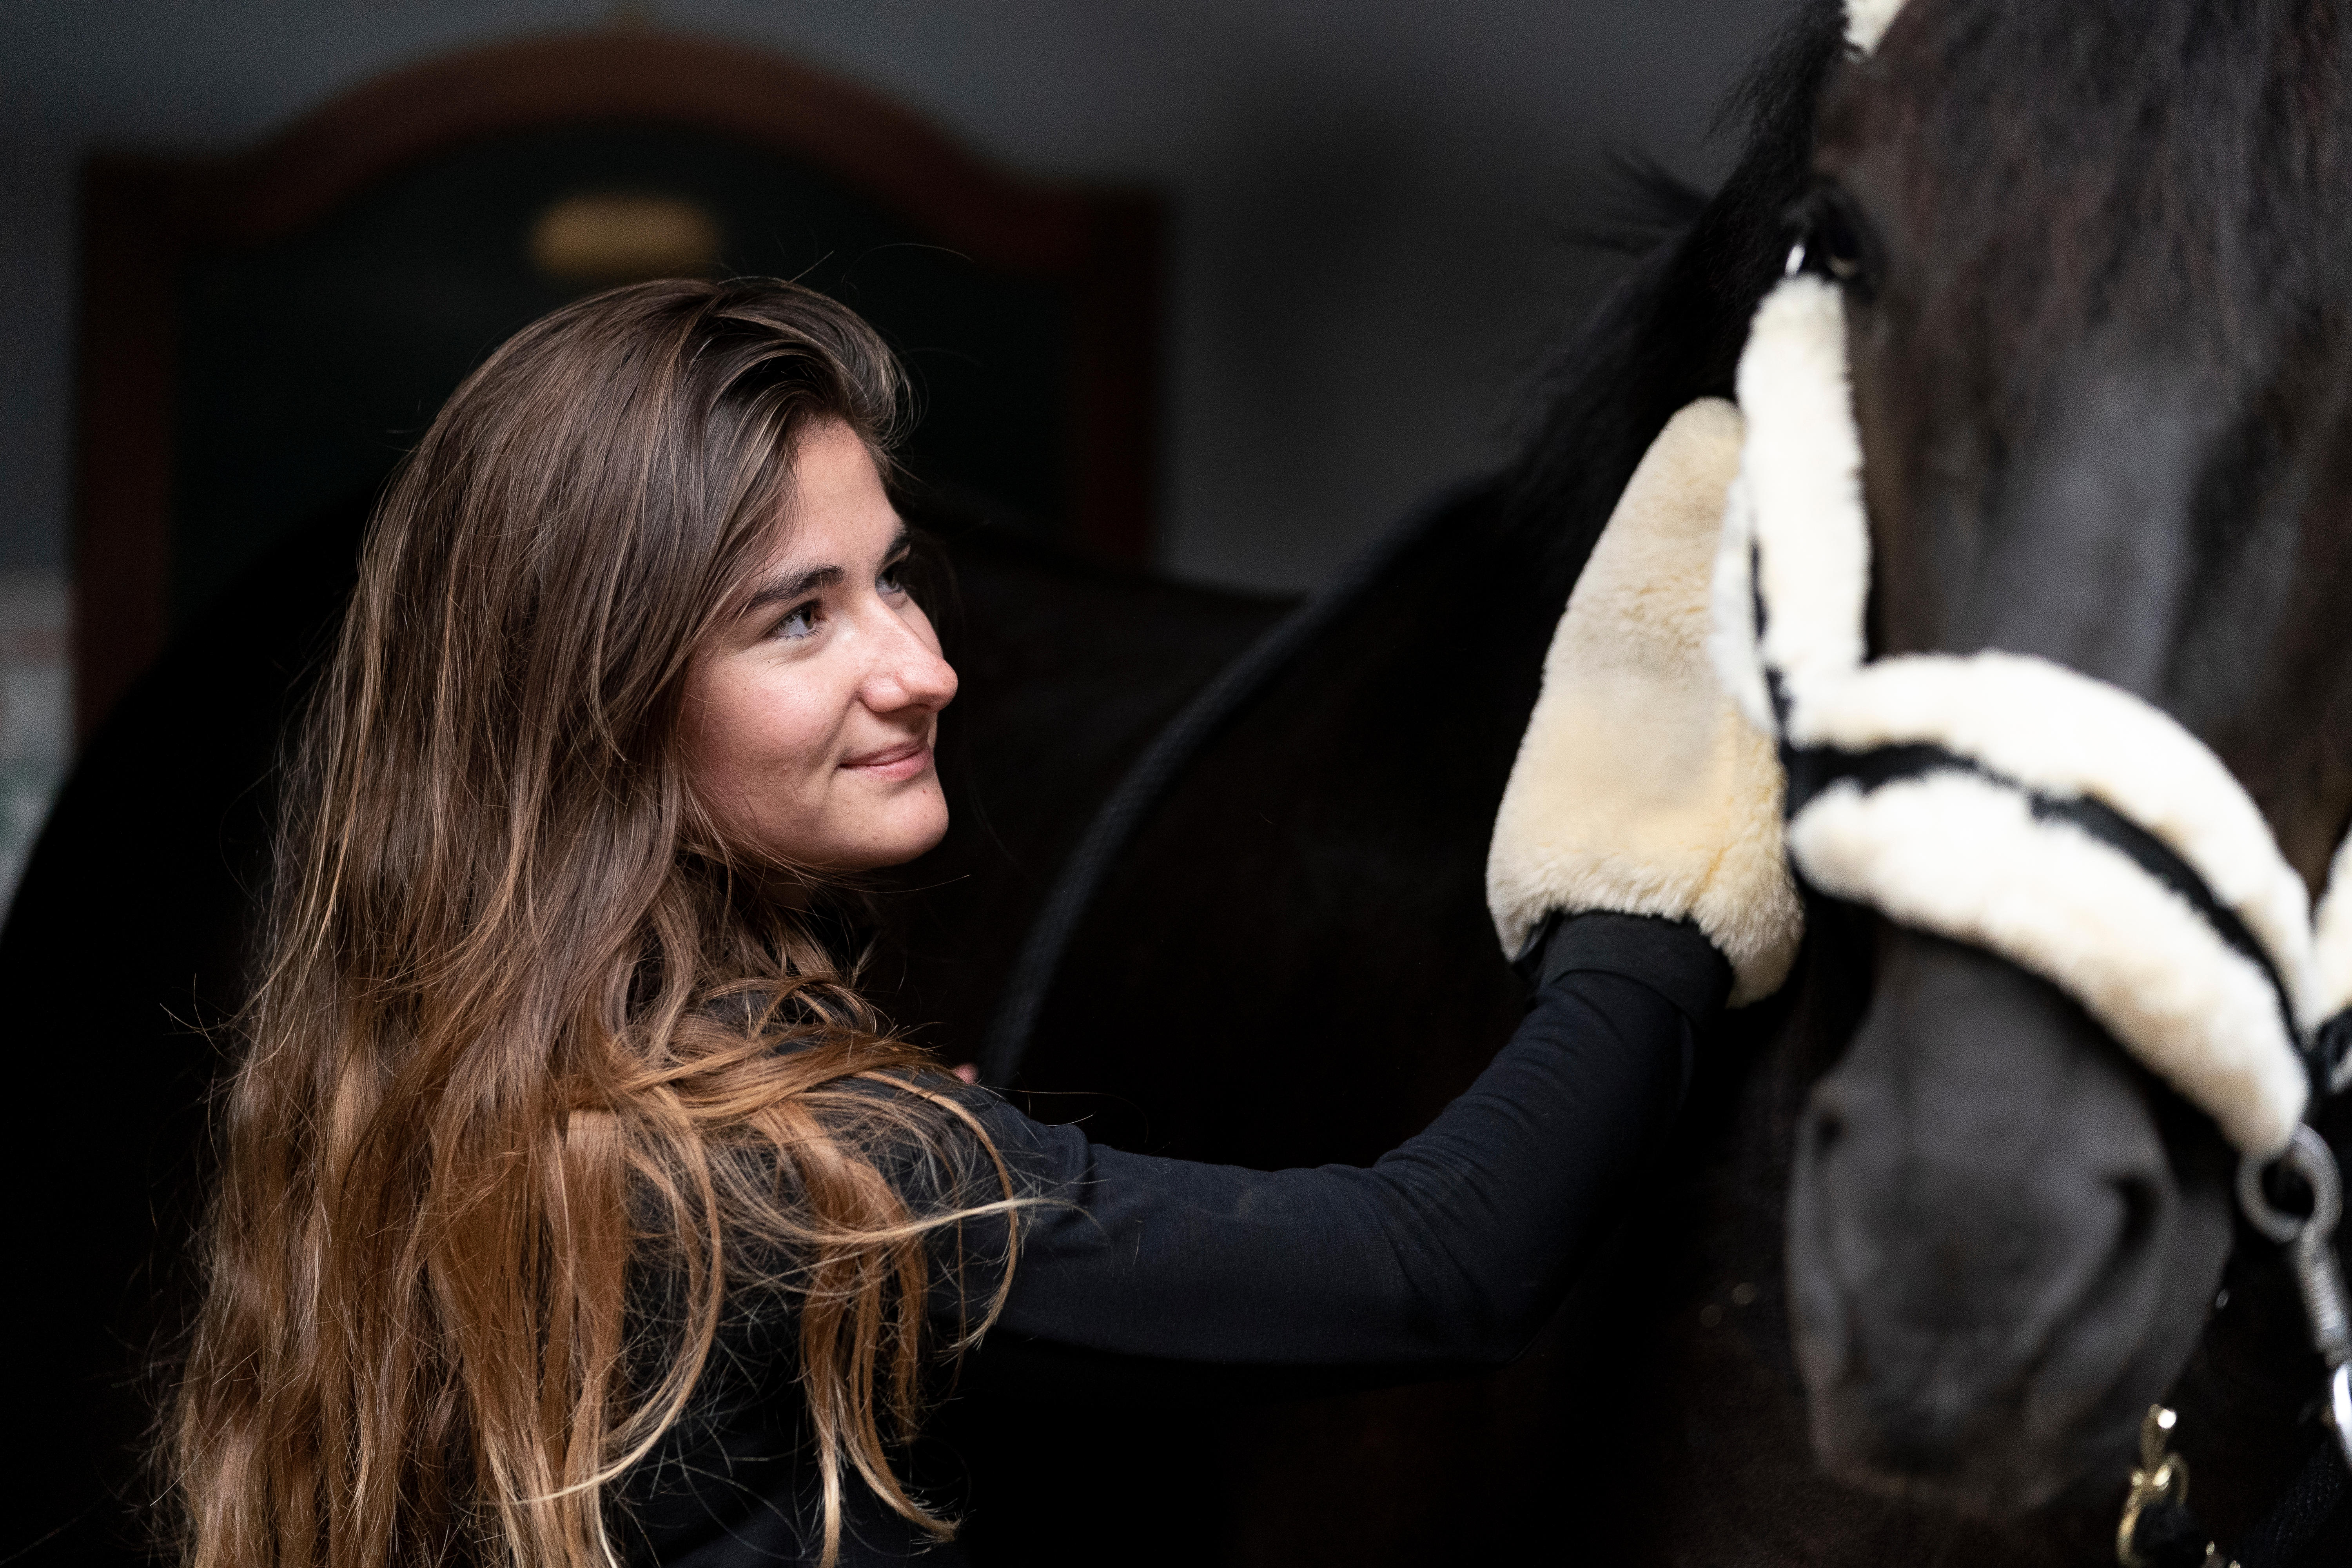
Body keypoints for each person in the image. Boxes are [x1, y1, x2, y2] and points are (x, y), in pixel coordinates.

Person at [165, 278, 1797, 1568]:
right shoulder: (786, 1172)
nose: (923, 666)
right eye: (800, 616)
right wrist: (1645, 887)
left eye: (895, 577)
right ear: (597, 706)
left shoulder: (433, 1091)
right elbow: (1442, 1264)